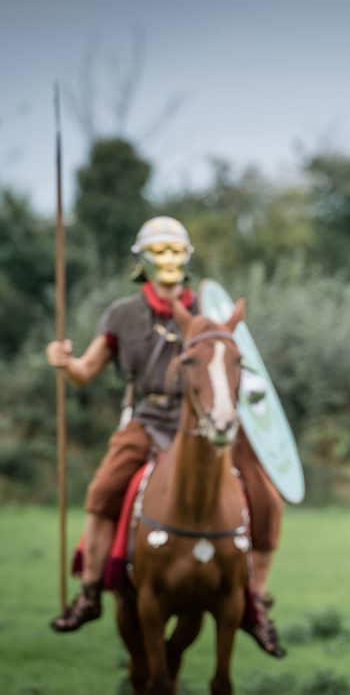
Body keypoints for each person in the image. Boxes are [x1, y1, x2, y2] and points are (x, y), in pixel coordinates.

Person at [47, 216, 285, 657]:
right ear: (142, 260)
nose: (168, 260)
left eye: (175, 251)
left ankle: (256, 603)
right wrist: (65, 362)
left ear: (187, 258)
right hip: (150, 420)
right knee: (103, 490)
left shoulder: (208, 314)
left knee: (265, 498)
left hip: (209, 422)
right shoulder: (122, 314)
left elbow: (240, 372)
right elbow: (85, 372)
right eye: (158, 252)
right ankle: (91, 590)